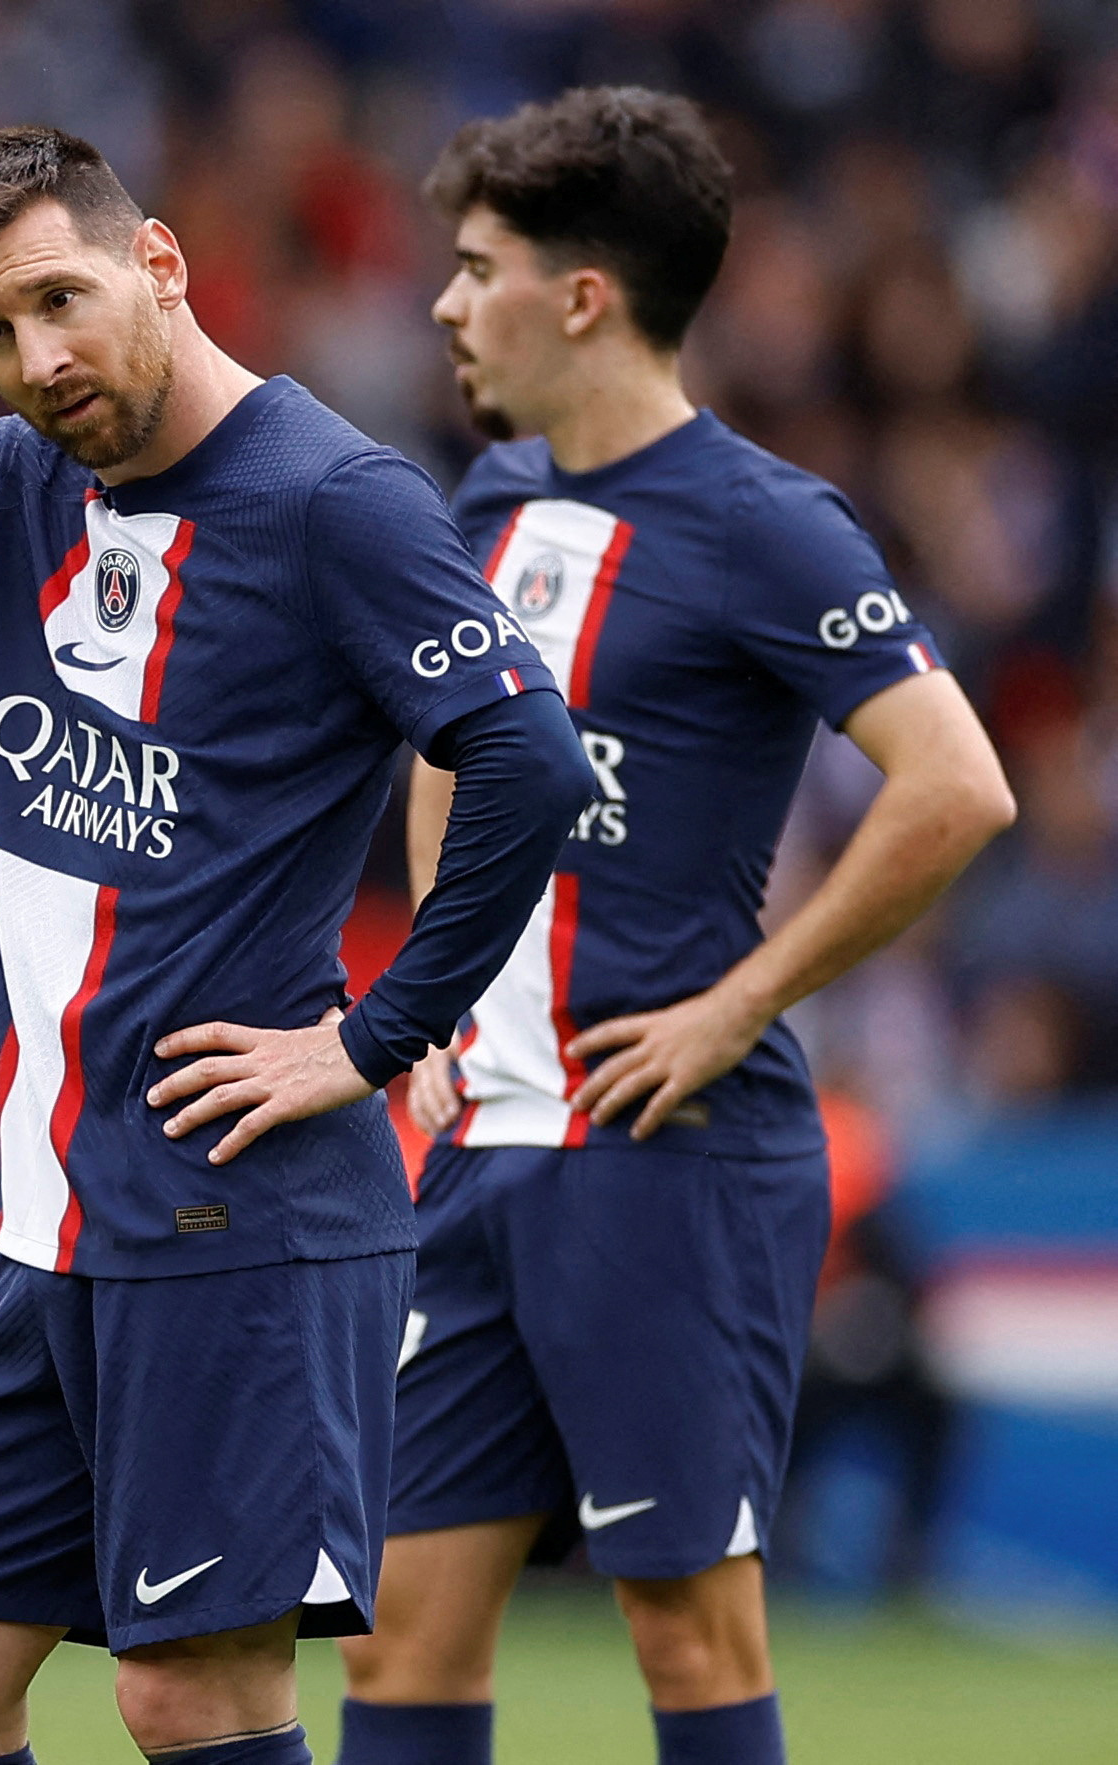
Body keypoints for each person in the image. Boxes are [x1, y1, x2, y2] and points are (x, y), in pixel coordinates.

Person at [0, 126, 596, 1765]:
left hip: (237, 1214)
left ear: (162, 265)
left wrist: (372, 1037)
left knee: (190, 1693)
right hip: (52, 1216)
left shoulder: (331, 499)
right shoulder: (19, 480)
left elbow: (528, 760)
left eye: (61, 299)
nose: (37, 358)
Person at [332, 88, 1016, 1765]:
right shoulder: (488, 491)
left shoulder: (761, 523)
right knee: (393, 1638)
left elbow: (959, 785)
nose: (444, 301)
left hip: (668, 1144)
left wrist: (742, 1000)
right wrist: (432, 989)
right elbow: (453, 743)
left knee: (688, 1634)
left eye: (477, 266)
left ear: (583, 296)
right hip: (483, 1141)